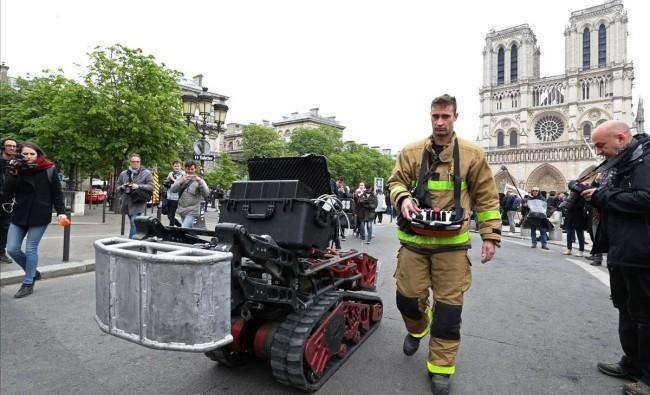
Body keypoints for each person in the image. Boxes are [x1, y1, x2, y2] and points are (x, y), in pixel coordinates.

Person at [387, 94, 501, 395]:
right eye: (435, 117)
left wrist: (490, 235)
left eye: (445, 117)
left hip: (452, 245)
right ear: (431, 117)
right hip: (413, 242)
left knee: (449, 313)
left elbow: (487, 197)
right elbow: (394, 181)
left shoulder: (472, 153)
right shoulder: (411, 151)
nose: (440, 122)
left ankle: (440, 368)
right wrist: (402, 197)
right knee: (407, 300)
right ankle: (417, 328)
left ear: (455, 117)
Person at [580, 120, 650, 395]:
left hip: (643, 253)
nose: (598, 151)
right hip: (624, 250)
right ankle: (632, 363)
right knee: (627, 309)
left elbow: (647, 198)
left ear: (621, 138)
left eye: (600, 145)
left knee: (645, 315)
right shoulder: (624, 163)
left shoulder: (644, 162)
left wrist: (604, 195)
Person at [1, 142, 66, 298]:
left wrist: (61, 212)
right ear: (20, 155)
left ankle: (28, 282)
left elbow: (57, 193)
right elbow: (7, 193)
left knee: (31, 248)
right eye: (25, 154)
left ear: (38, 155)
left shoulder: (49, 168)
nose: (28, 157)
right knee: (12, 249)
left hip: (40, 214)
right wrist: (14, 173)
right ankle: (33, 272)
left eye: (32, 154)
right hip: (19, 213)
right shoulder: (17, 168)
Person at [116, 153, 154, 238]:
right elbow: (117, 187)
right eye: (133, 161)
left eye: (137, 161)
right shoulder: (124, 173)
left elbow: (151, 187)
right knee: (133, 223)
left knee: (134, 222)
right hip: (127, 202)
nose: (135, 163)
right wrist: (122, 187)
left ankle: (132, 243)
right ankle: (140, 238)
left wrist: (138, 186)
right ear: (130, 162)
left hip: (138, 202)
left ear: (140, 162)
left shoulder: (146, 173)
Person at [170, 160, 210, 228]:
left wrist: (200, 183)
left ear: (195, 169)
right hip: (182, 209)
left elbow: (206, 194)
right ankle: (194, 238)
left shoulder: (199, 180)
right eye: (188, 169)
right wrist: (181, 181)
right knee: (188, 231)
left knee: (184, 228)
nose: (190, 171)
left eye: (192, 169)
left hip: (192, 211)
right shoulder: (181, 178)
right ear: (185, 169)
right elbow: (173, 190)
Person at [0, 137, 18, 264]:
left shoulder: (16, 162)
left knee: (5, 226)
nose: (11, 148)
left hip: (7, 199)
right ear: (3, 147)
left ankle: (1, 252)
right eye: (9, 145)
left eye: (14, 146)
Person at [163, 160, 184, 226]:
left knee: (171, 215)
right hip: (169, 196)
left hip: (176, 198)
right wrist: (167, 182)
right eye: (175, 166)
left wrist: (173, 179)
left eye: (178, 166)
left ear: (181, 167)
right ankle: (180, 226)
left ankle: (171, 229)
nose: (176, 167)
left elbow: (181, 184)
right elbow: (166, 183)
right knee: (169, 215)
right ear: (173, 167)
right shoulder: (170, 173)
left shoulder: (183, 174)